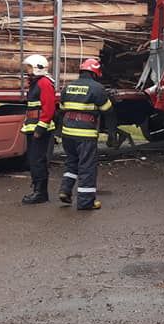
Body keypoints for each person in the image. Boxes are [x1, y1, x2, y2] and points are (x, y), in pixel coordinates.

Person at [58, 58, 114, 210]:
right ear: (95, 73)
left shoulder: (68, 87)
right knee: (87, 167)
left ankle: (65, 190)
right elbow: (107, 110)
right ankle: (85, 202)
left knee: (71, 163)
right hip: (85, 134)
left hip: (67, 132)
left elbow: (62, 107)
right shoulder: (97, 88)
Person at [20, 54, 56, 204]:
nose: (26, 70)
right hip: (34, 128)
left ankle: (41, 193)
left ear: (37, 67)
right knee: (33, 160)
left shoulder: (44, 83)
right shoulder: (36, 83)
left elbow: (48, 108)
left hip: (40, 129)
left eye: (29, 67)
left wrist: (40, 129)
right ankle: (37, 190)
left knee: (38, 160)